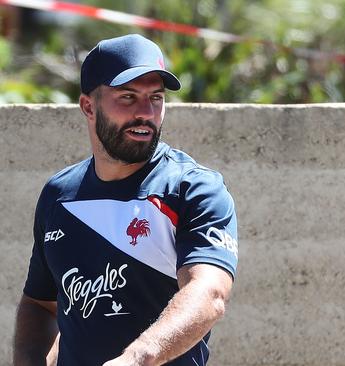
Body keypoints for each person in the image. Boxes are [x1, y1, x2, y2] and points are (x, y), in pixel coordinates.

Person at [13, 34, 238, 366]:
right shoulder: (59, 195)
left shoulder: (192, 188)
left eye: (156, 98)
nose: (145, 113)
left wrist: (136, 358)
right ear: (89, 106)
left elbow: (209, 294)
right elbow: (41, 305)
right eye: (128, 97)